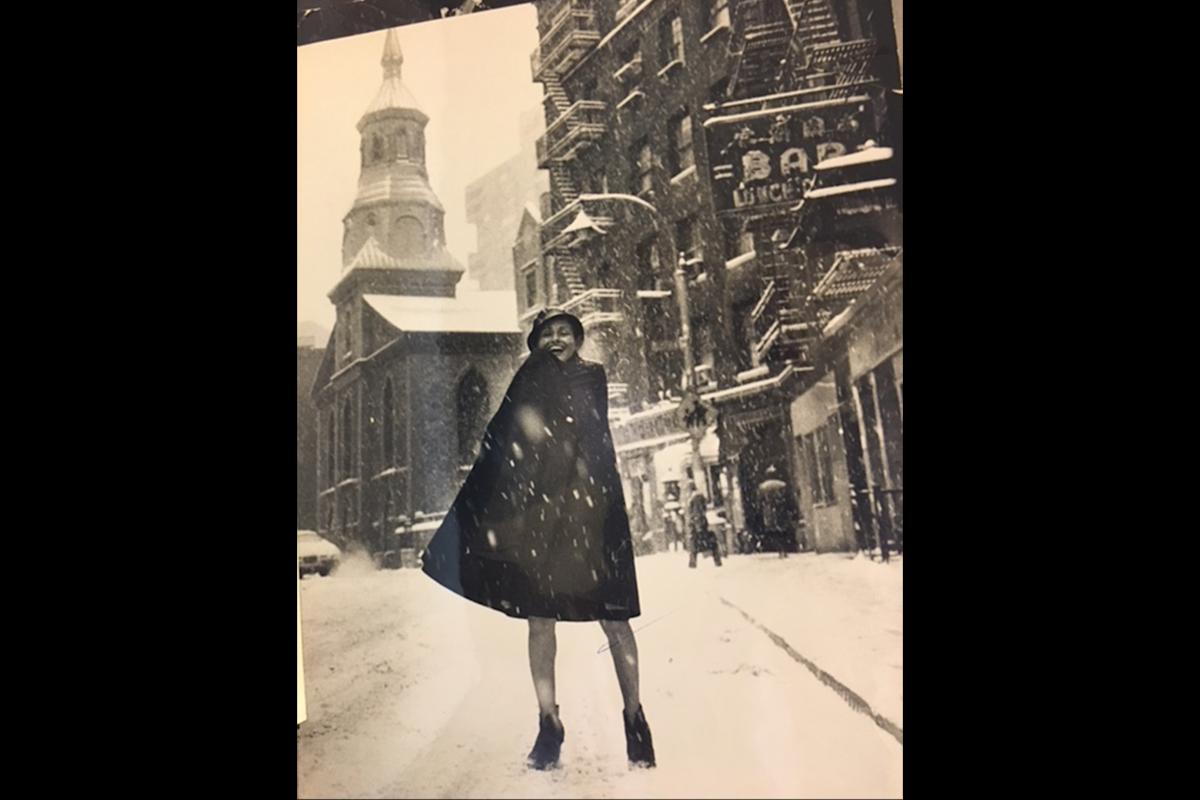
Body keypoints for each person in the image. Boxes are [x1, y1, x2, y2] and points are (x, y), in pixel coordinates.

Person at [422, 308, 655, 771]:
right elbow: (500, 438)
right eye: (546, 334)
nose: (555, 339)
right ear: (534, 344)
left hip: (592, 516)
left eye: (564, 333)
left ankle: (635, 718)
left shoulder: (592, 377)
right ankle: (548, 724)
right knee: (539, 620)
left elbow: (584, 430)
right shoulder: (527, 382)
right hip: (543, 518)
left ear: (578, 339)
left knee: (616, 620)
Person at [757, 466, 793, 558]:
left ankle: (780, 549)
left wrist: (761, 510)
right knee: (783, 530)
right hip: (781, 510)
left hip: (769, 511)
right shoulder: (782, 485)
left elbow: (760, 500)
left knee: (774, 531)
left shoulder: (762, 487)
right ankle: (784, 549)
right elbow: (789, 498)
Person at [686, 480, 722, 568]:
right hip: (699, 523)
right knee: (708, 543)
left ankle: (693, 563)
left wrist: (697, 525)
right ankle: (717, 560)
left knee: (695, 543)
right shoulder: (697, 497)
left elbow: (697, 513)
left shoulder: (695, 499)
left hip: (698, 524)